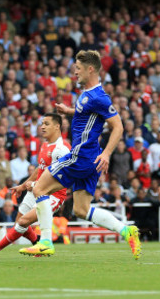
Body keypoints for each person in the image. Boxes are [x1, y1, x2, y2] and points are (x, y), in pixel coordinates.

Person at [20, 50, 141, 259]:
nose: (74, 73)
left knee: (39, 188)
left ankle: (46, 241)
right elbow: (87, 114)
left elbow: (118, 126)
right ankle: (126, 230)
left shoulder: (100, 97)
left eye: (77, 69)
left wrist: (107, 154)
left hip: (81, 156)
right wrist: (69, 111)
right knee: (82, 210)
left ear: (90, 69)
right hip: (89, 159)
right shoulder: (88, 94)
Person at [0, 113, 69, 258]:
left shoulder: (61, 149)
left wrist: (35, 185)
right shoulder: (45, 145)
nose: (42, 127)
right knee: (19, 224)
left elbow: (62, 178)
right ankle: (38, 244)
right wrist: (22, 185)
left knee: (22, 222)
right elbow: (40, 169)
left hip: (52, 195)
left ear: (57, 126)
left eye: (46, 124)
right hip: (36, 190)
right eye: (42, 124)